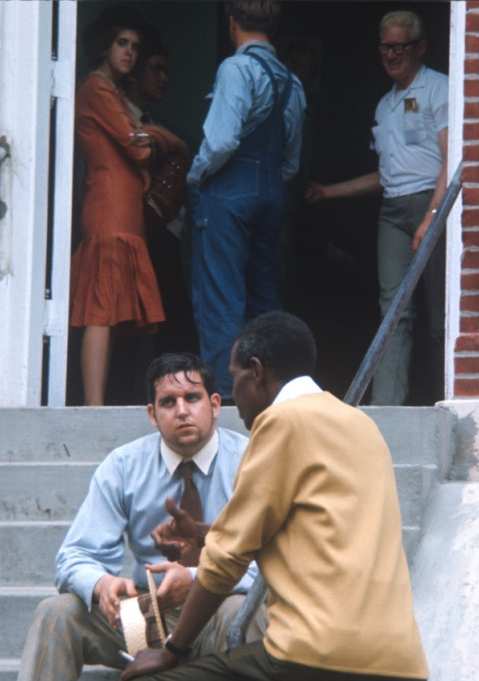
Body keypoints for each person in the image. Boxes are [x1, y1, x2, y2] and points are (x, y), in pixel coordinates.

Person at [118, 312, 428, 681]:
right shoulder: (360, 425)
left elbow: (227, 559)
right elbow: (305, 524)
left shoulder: (280, 422)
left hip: (313, 658)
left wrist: (171, 649)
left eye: (234, 379)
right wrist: (202, 533)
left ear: (256, 371)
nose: (235, 397)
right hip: (402, 667)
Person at [14, 353, 265, 681]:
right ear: (152, 414)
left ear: (215, 404)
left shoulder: (251, 462)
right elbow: (74, 556)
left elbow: (269, 564)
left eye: (192, 398)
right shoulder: (124, 466)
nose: (181, 410)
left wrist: (196, 580)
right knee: (56, 612)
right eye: (168, 402)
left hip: (218, 611)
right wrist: (102, 584)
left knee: (242, 611)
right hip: (144, 617)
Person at [305, 10, 449, 405]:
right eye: (384, 46)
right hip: (392, 211)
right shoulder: (385, 105)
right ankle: (388, 410)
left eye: (399, 45)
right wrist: (327, 192)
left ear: (420, 47)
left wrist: (433, 216)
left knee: (441, 319)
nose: (390, 54)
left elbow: (453, 159)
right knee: (394, 314)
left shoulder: (440, 88)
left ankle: (447, 403)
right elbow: (384, 176)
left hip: (430, 205)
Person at [187, 0, 306, 400]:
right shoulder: (293, 82)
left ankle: (224, 396)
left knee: (221, 301)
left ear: (232, 23)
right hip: (270, 194)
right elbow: (290, 162)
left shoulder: (236, 69)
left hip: (228, 194)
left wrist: (197, 174)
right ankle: (265, 399)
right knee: (262, 306)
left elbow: (221, 140)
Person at [70, 7, 185, 405]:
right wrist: (171, 141)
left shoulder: (111, 92)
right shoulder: (97, 89)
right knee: (101, 312)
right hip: (108, 210)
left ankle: (99, 402)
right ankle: (93, 407)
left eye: (135, 47)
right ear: (104, 46)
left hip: (123, 212)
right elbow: (137, 147)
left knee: (113, 314)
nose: (130, 53)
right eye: (122, 43)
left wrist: (151, 139)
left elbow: (139, 140)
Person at [122, 25, 199, 357]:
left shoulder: (160, 124)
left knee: (174, 328)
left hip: (164, 238)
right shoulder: (121, 122)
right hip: (135, 234)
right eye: (156, 70)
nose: (164, 77)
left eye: (166, 70)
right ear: (135, 74)